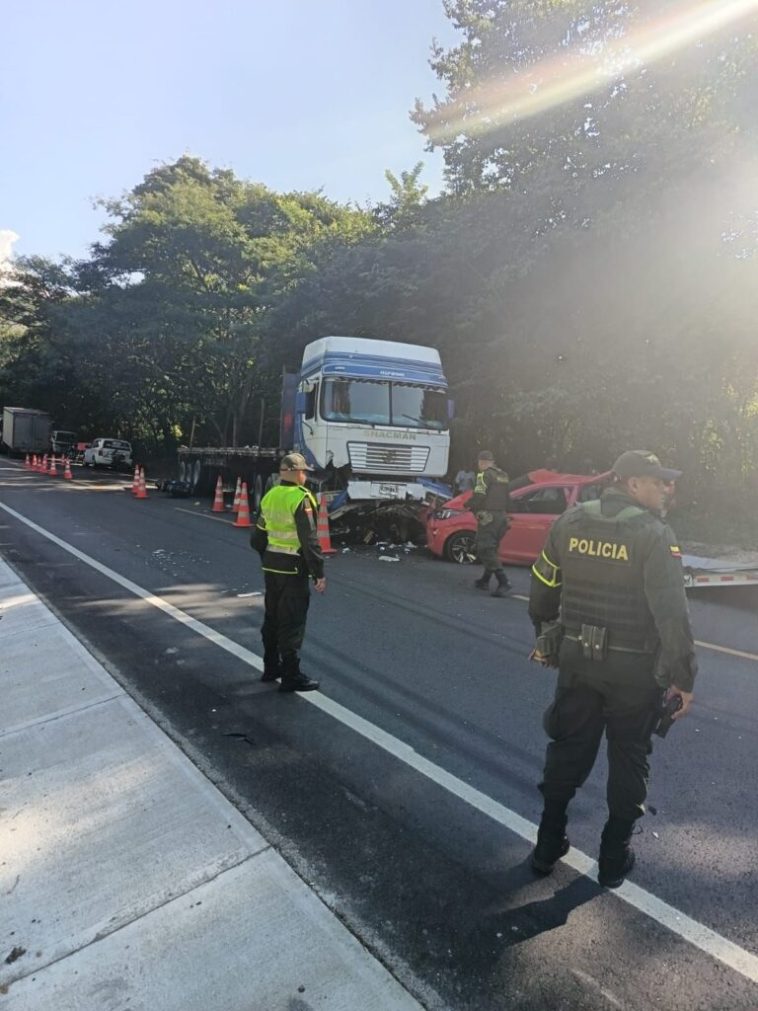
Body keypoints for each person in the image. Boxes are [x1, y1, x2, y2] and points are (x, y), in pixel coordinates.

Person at [528, 450, 697, 888]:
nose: (666, 489)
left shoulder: (569, 523)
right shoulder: (655, 535)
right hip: (634, 674)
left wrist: (545, 639)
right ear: (633, 483)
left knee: (567, 752)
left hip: (578, 664)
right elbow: (672, 616)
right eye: (659, 482)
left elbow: (543, 588)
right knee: (629, 760)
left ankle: (547, 847)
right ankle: (612, 858)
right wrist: (684, 679)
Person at [250, 453, 326, 692]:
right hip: (294, 569)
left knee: (272, 618)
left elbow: (257, 538)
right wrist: (318, 573)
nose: (306, 476)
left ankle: (271, 668)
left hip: (271, 568)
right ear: (297, 473)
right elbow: (309, 540)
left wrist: (268, 558)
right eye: (304, 472)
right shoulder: (301, 499)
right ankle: (291, 676)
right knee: (291, 622)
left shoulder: (270, 496)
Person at [469, 450, 511, 598]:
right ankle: (485, 580)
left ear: (482, 462)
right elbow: (508, 497)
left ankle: (503, 581)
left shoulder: (483, 475)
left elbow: (479, 495)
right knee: (492, 548)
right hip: (502, 517)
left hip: (488, 517)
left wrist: (469, 505)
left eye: (480, 462)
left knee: (485, 549)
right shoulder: (503, 475)